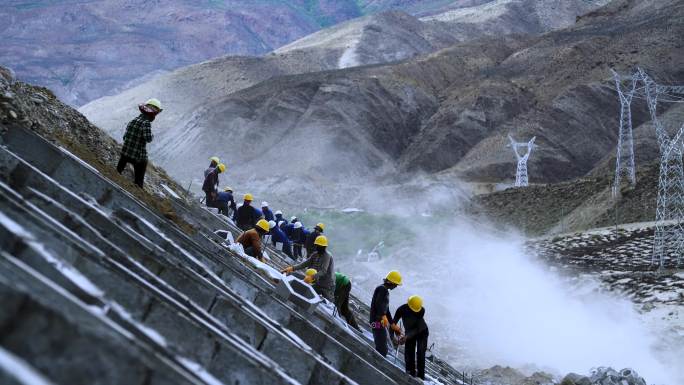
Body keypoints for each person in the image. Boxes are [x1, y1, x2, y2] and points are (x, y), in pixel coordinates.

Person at [116, 98, 162, 188]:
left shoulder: (134, 120)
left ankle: (114, 175)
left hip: (125, 153)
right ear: (153, 114)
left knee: (118, 170)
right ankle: (138, 188)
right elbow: (148, 139)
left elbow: (124, 137)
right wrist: (152, 135)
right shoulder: (146, 123)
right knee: (139, 179)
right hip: (137, 157)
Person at [281, 236, 334, 301]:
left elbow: (323, 271)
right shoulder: (315, 254)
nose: (317, 248)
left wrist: (312, 277)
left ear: (324, 247)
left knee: (327, 302)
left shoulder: (327, 256)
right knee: (308, 294)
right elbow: (304, 264)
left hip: (326, 285)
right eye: (317, 245)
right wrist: (292, 268)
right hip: (317, 282)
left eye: (319, 246)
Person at [393, 296, 429, 379]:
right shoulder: (401, 309)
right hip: (409, 332)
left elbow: (417, 328)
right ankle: (410, 371)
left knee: (420, 353)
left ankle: (420, 376)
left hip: (422, 332)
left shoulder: (421, 311)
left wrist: (406, 337)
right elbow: (393, 323)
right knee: (409, 351)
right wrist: (394, 333)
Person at [369, 270, 402, 357]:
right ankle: (375, 361)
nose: (395, 286)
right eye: (395, 284)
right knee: (382, 349)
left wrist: (392, 324)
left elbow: (386, 310)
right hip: (376, 322)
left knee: (382, 344)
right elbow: (378, 304)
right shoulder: (382, 289)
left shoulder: (384, 290)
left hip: (378, 322)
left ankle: (377, 358)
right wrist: (382, 316)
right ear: (391, 282)